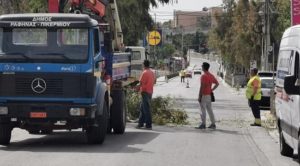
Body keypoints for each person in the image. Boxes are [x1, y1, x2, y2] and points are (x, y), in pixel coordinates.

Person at [196, 62, 219, 129]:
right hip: (209, 95)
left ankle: (203, 124)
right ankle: (213, 123)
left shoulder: (203, 76)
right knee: (210, 110)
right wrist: (211, 90)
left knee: (202, 110)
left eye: (202, 66)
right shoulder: (211, 75)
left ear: (204, 67)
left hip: (204, 95)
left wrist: (199, 96)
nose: (201, 67)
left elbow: (202, 86)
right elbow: (217, 84)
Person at [136, 60, 156, 130]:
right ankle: (140, 124)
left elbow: (140, 83)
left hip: (145, 92)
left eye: (142, 64)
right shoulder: (152, 72)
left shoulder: (144, 73)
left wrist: (136, 88)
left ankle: (148, 125)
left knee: (146, 109)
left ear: (144, 65)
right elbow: (154, 81)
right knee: (142, 108)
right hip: (150, 91)